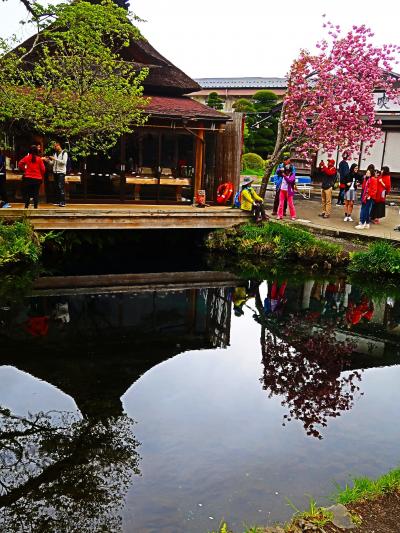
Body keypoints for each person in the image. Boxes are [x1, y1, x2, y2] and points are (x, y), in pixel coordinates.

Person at [48, 142, 68, 207]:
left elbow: (64, 162)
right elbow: (53, 163)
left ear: (59, 146)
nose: (54, 148)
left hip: (61, 172)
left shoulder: (64, 153)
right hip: (55, 172)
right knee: (56, 187)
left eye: (55, 146)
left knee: (60, 186)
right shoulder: (55, 153)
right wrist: (48, 161)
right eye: (54, 147)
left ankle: (63, 202)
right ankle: (57, 201)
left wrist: (55, 159)